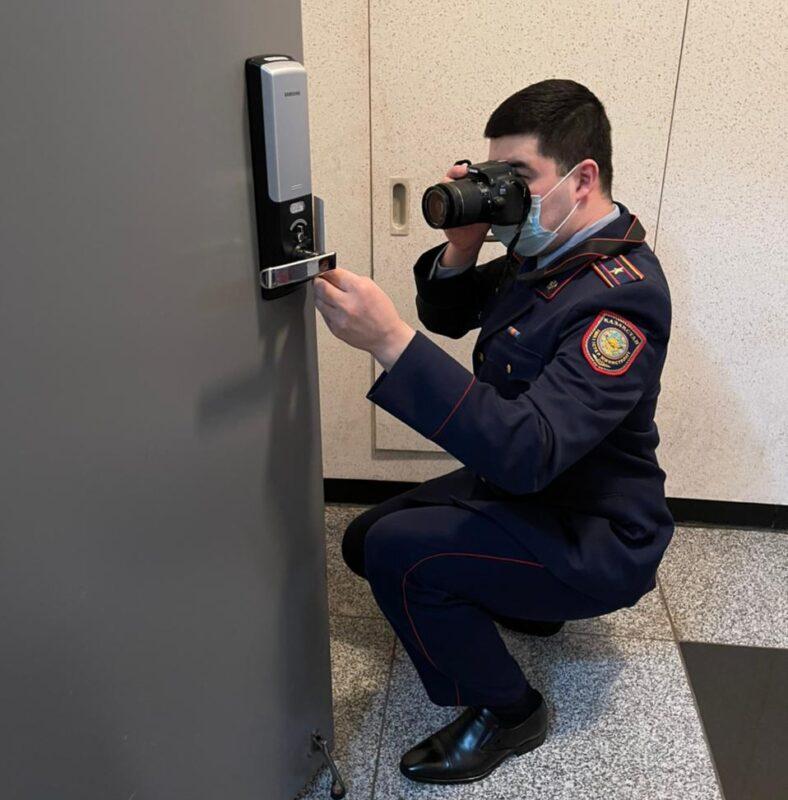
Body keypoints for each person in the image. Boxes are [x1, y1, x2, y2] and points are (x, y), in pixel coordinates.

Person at [313, 78, 673, 786]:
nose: (507, 194)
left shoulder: (622, 292)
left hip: (594, 526)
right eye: (494, 175)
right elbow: (451, 316)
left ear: (583, 178)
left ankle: (510, 711)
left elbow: (529, 448)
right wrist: (462, 243)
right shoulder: (546, 254)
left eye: (520, 178)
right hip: (530, 489)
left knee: (397, 555)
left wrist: (389, 342)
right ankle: (529, 606)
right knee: (360, 540)